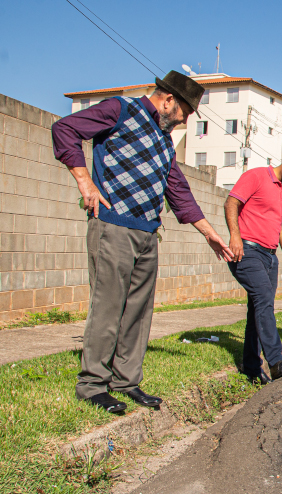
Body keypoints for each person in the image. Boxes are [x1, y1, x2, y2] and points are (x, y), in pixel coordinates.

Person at [52, 71, 234, 414]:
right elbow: (65, 128)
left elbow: (178, 190)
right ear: (168, 101)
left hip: (148, 234)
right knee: (108, 306)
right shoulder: (119, 110)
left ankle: (126, 382)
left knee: (138, 312)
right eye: (183, 116)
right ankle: (92, 384)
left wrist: (210, 233)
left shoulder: (165, 143)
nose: (182, 124)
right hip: (113, 226)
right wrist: (85, 182)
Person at [224, 150, 282, 383]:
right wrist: (235, 236)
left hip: (270, 257)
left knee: (258, 309)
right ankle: (276, 362)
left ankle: (252, 367)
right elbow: (231, 202)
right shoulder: (256, 176)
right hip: (247, 250)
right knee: (264, 301)